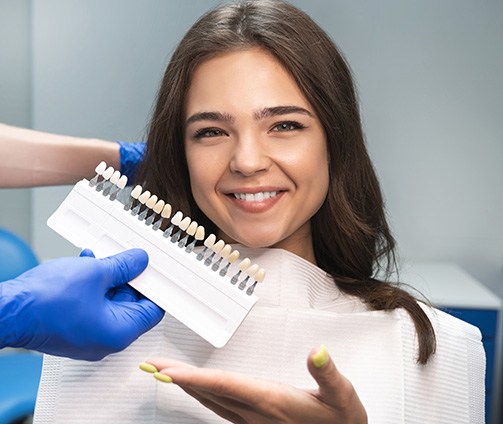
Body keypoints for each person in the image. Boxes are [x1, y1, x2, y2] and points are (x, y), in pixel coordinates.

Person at [8, 1, 484, 423]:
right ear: (181, 153)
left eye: (285, 124)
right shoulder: (99, 336)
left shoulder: (432, 348)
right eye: (211, 132)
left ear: (335, 143)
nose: (248, 161)